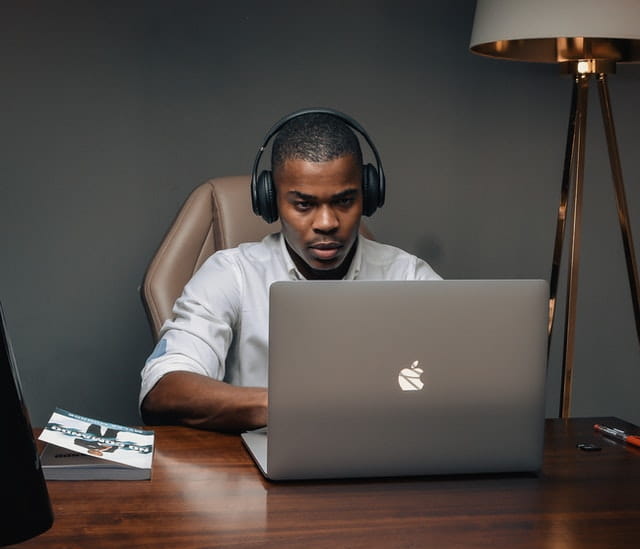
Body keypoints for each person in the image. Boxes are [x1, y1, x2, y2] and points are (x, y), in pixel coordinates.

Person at [139, 109, 441, 433]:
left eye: (344, 201)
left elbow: (469, 372)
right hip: (255, 470)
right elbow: (163, 390)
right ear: (270, 201)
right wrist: (288, 406)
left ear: (368, 196)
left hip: (382, 459)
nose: (326, 223)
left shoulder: (408, 275)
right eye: (303, 205)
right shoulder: (231, 275)